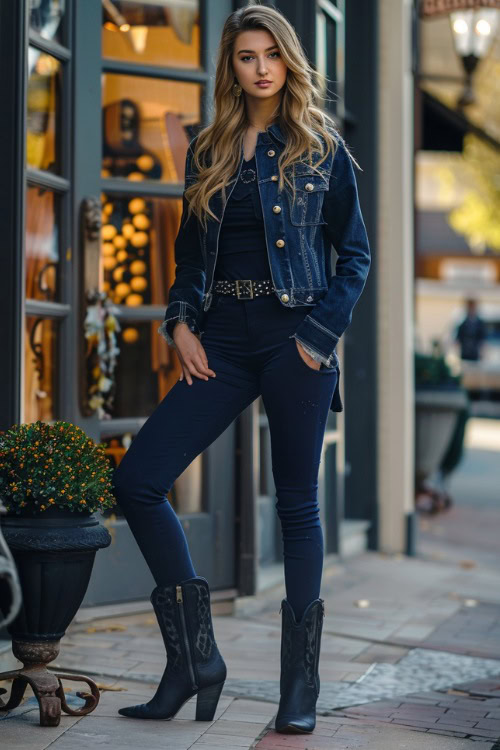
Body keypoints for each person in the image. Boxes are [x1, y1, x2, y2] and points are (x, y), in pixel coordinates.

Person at [112, 4, 371, 735]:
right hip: (221, 341)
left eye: (270, 55)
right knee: (138, 478)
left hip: (298, 338)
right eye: (245, 56)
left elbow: (356, 256)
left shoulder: (321, 148)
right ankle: (193, 660)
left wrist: (318, 337)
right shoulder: (209, 148)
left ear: (288, 61)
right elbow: (191, 257)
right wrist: (180, 322)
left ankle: (300, 688)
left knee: (297, 507)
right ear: (231, 67)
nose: (259, 68)